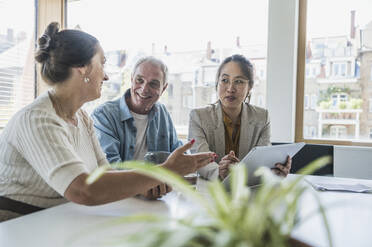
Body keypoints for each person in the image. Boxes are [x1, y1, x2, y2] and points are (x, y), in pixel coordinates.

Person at [0, 22, 215, 222]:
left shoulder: (82, 118)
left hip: (62, 219)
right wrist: (164, 171)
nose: (106, 76)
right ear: (83, 68)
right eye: (102, 63)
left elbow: (106, 172)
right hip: (19, 224)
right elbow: (84, 190)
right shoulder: (37, 119)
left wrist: (141, 186)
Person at [91, 57, 182, 200]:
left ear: (163, 88)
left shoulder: (162, 112)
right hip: (119, 199)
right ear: (131, 79)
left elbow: (177, 154)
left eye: (154, 84)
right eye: (139, 80)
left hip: (158, 199)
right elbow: (110, 167)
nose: (144, 88)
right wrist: (143, 184)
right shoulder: (104, 115)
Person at [188, 54, 291, 180]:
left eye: (239, 82)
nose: (230, 89)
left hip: (249, 192)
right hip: (211, 191)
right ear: (217, 83)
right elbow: (200, 161)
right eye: (225, 80)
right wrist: (219, 172)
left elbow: (261, 164)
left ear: (250, 87)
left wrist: (273, 172)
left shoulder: (262, 117)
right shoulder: (199, 117)